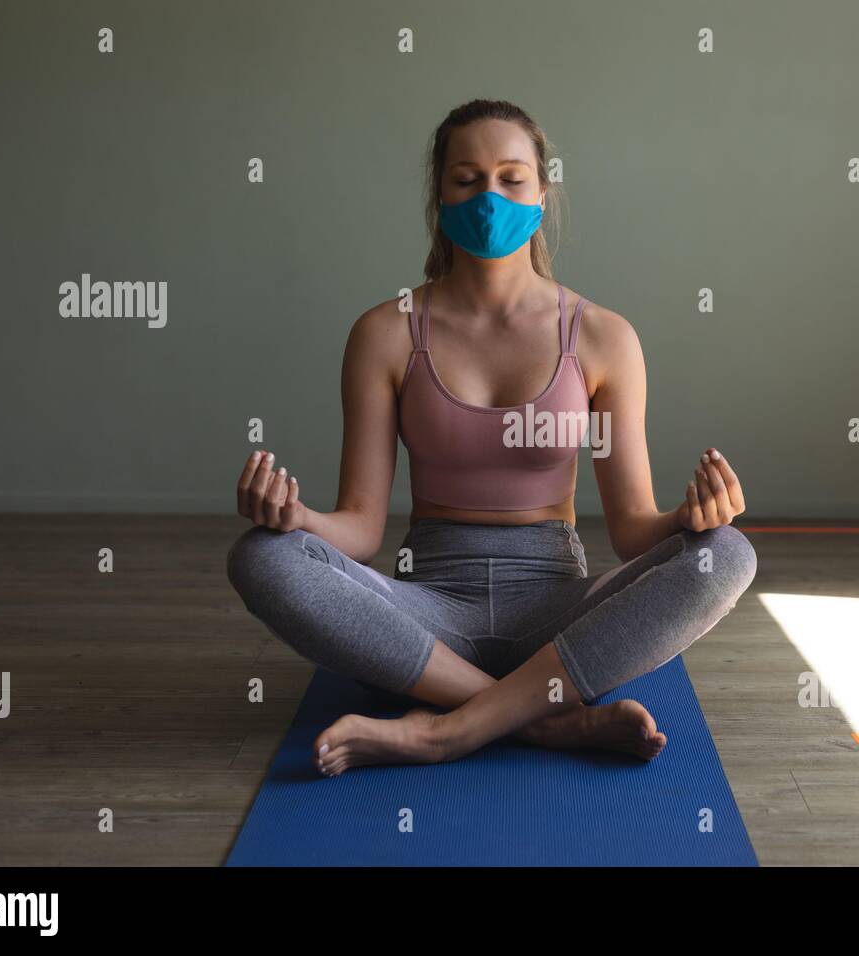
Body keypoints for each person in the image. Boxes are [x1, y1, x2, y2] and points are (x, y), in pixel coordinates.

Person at [226, 98, 757, 777]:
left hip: (557, 617)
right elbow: (360, 529)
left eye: (511, 177)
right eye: (467, 179)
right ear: (439, 194)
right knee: (261, 557)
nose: (489, 197)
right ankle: (555, 722)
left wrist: (694, 520)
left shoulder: (602, 337)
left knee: (729, 555)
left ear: (542, 191)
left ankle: (444, 732)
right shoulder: (386, 333)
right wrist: (294, 518)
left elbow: (631, 530)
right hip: (425, 614)